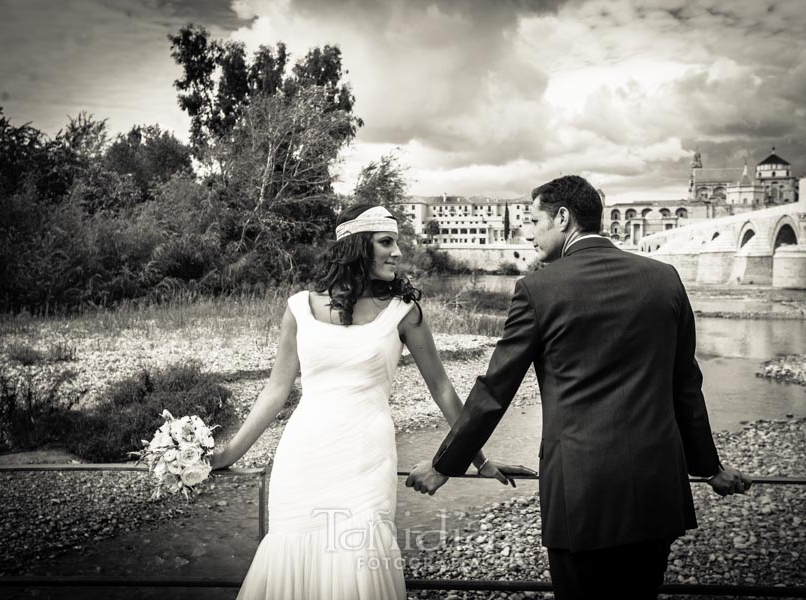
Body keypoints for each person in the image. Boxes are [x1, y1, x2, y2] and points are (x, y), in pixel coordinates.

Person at [406, 176, 752, 599]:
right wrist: (709, 468)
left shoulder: (537, 289)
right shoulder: (665, 279)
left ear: (564, 218)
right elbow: (686, 386)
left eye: (534, 220)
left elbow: (495, 390)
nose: (528, 232)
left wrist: (446, 465)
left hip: (582, 492)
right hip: (656, 487)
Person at [210, 204, 530, 600]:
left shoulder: (404, 312)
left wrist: (477, 458)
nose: (397, 252)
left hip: (366, 461)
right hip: (302, 458)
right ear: (356, 246)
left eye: (397, 242)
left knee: (358, 560)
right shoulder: (298, 308)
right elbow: (276, 392)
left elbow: (442, 389)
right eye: (386, 241)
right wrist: (227, 455)